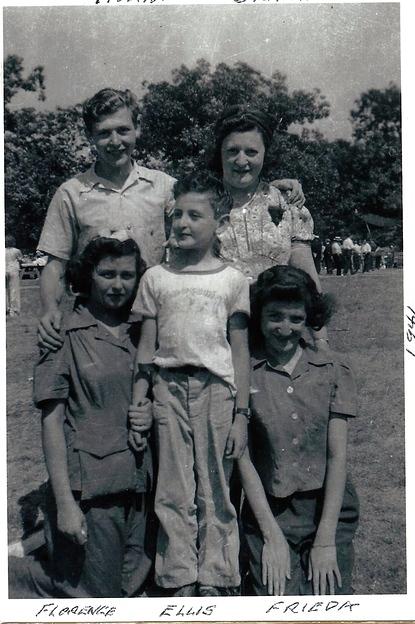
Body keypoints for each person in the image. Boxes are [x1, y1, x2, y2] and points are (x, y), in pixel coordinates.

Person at [37, 90, 303, 351]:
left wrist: (270, 187)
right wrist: (50, 309)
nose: (115, 141)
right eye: (104, 133)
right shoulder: (70, 193)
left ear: (137, 128)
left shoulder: (163, 186)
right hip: (95, 319)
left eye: (123, 130)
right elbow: (54, 263)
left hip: (152, 316)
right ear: (89, 136)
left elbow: (209, 201)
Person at [9, 237, 153, 598]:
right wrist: (66, 505)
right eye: (107, 274)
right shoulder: (61, 334)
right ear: (87, 275)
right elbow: (52, 424)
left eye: (127, 275)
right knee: (93, 597)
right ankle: (14, 578)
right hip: (91, 489)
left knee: (134, 583)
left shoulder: (145, 332)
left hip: (142, 483)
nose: (118, 285)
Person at [129, 172, 250, 597]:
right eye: (176, 214)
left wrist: (241, 414)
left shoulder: (232, 280)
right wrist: (139, 403)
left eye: (195, 215)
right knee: (174, 486)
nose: (182, 222)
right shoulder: (155, 279)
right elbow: (146, 347)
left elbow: (238, 351)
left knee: (216, 484)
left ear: (218, 222)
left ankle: (217, 575)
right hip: (166, 388)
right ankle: (178, 575)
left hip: (216, 391)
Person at [238, 266, 359, 596]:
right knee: (275, 599)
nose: (284, 328)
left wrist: (325, 541)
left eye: (296, 319)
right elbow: (242, 457)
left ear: (309, 320)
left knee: (329, 599)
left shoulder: (334, 369)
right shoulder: (244, 372)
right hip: (269, 510)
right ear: (258, 316)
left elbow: (337, 456)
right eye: (275, 317)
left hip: (327, 508)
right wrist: (271, 535)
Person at [209, 105, 320, 286]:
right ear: (220, 152)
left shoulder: (289, 206)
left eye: (251, 152)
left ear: (265, 154)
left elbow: (308, 285)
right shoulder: (198, 205)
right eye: (232, 151)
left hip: (271, 313)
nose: (241, 161)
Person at [5, 234, 23, 317]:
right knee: (14, 290)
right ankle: (14, 309)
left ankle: (6, 308)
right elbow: (21, 260)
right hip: (13, 270)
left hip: (4, 270)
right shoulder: (16, 251)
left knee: (5, 290)